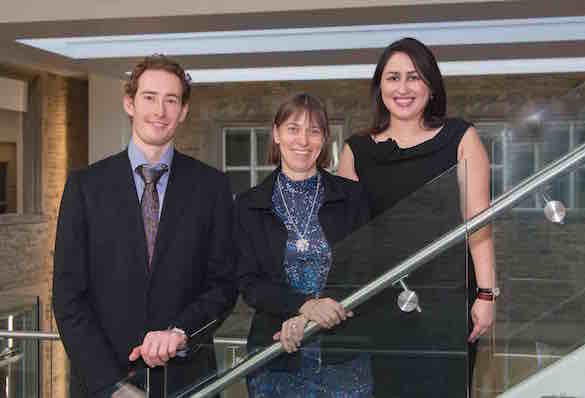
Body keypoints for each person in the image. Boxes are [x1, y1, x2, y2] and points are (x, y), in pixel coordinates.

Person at [52, 55, 237, 397]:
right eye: (149, 97)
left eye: (171, 100)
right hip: (103, 385)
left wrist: (182, 331)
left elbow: (224, 285)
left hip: (187, 382)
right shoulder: (85, 187)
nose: (160, 111)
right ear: (130, 103)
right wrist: (112, 385)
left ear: (183, 111)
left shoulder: (212, 187)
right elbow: (68, 298)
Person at [337, 38, 497, 395]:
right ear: (380, 87)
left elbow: (479, 220)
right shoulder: (356, 150)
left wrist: (486, 294)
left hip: (447, 303)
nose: (403, 88)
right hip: (377, 304)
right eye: (393, 77)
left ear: (431, 84)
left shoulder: (460, 137)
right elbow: (347, 237)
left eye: (414, 77)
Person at [235, 93, 373, 397]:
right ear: (276, 134)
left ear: (324, 139)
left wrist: (307, 317)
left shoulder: (352, 198)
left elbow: (364, 268)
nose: (303, 140)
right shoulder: (249, 205)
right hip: (276, 357)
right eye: (293, 128)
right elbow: (249, 283)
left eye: (314, 131)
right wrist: (305, 306)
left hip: (344, 358)